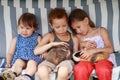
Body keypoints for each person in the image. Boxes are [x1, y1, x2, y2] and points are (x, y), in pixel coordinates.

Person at [68, 9, 114, 80]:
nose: (78, 31)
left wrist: (92, 51)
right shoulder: (78, 37)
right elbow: (75, 55)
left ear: (86, 21)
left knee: (103, 70)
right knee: (79, 69)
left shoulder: (101, 31)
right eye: (75, 29)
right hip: (86, 61)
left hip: (103, 59)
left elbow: (110, 49)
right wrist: (82, 45)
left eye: (79, 27)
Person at [34, 8, 78, 80]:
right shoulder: (50, 36)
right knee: (42, 70)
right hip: (50, 62)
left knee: (63, 71)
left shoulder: (73, 38)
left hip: (66, 62)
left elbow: (75, 56)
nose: (61, 29)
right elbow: (36, 51)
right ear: (51, 25)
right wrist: (51, 44)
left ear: (67, 23)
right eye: (57, 27)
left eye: (64, 26)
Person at [1, 13, 43, 80]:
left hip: (33, 58)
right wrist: (8, 62)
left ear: (34, 28)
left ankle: (26, 76)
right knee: (18, 63)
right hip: (20, 58)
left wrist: (43, 53)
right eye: (22, 27)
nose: (24, 31)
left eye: (28, 28)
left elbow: (42, 47)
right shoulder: (16, 39)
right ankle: (12, 74)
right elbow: (10, 52)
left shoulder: (38, 37)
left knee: (32, 64)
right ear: (18, 26)